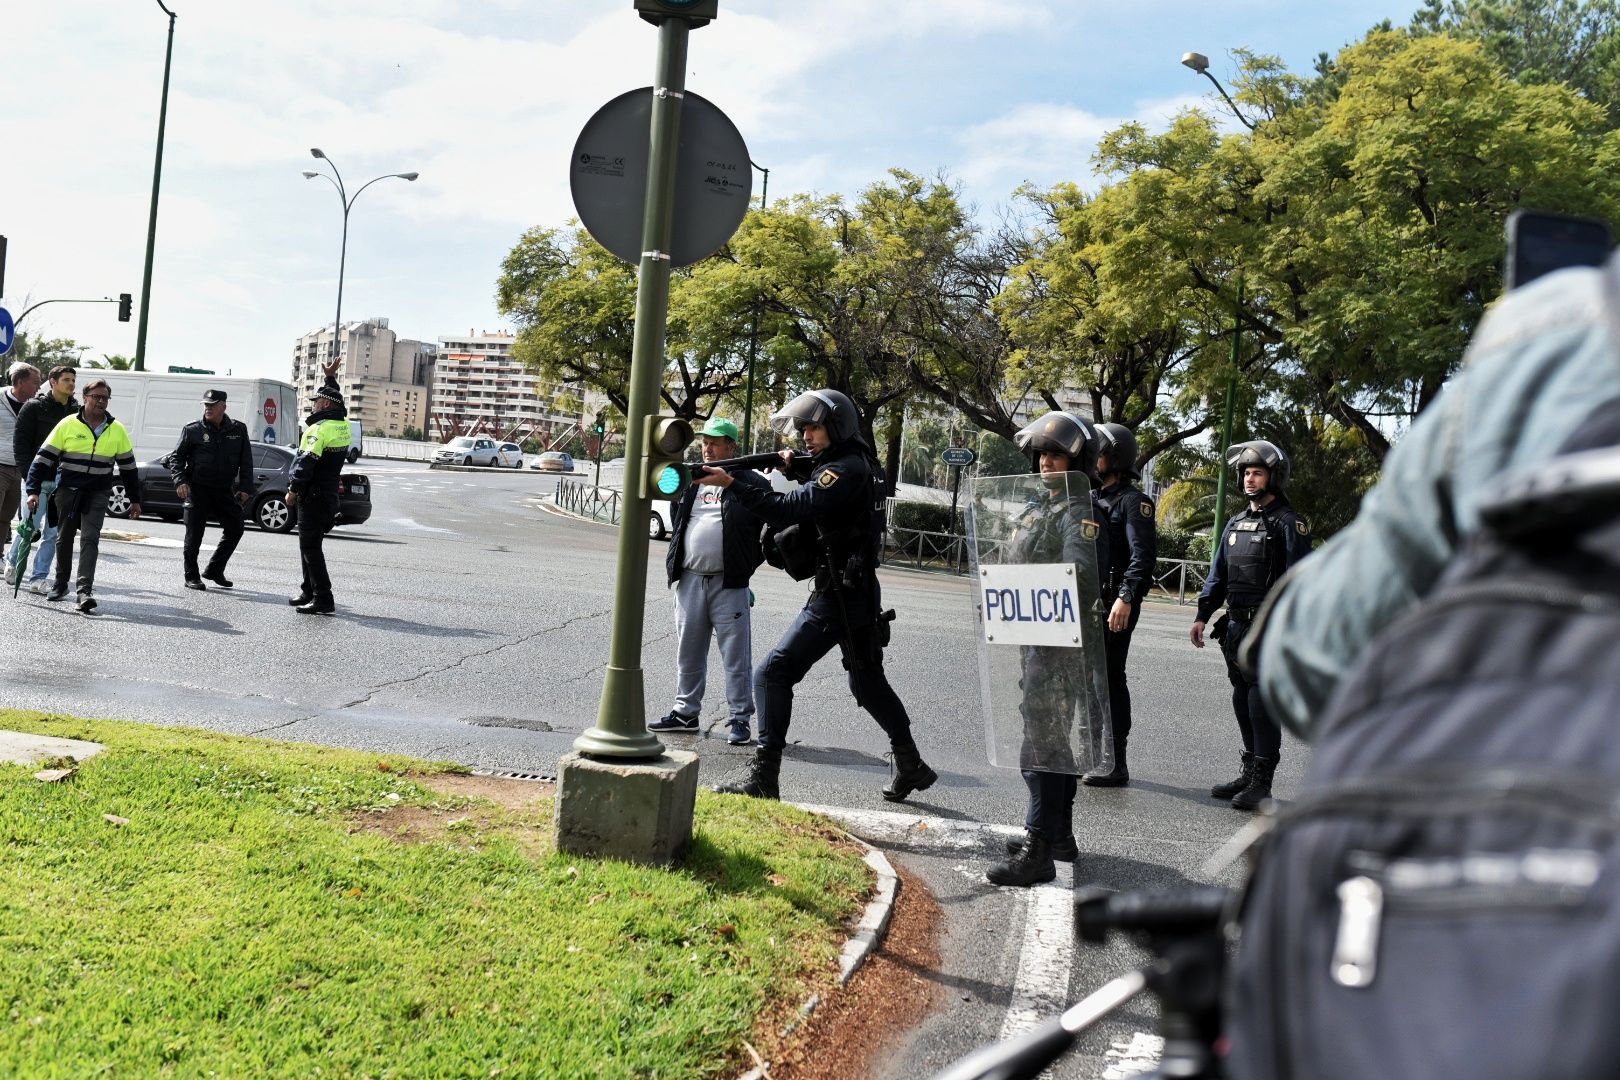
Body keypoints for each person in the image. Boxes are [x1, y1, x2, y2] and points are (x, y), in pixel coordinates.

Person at [1251, 257, 1620, 739]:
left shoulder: (1544, 347)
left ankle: (1259, 771)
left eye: (1257, 472)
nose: (1249, 481)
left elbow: (1306, 667)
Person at [693, 388, 936, 804]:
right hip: (855, 589)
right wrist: (799, 470)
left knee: (772, 673)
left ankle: (764, 775)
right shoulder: (859, 464)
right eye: (803, 428)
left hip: (837, 594)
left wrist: (733, 483)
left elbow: (790, 510)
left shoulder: (843, 470)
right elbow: (838, 507)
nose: (806, 435)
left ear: (837, 426)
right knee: (867, 684)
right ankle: (911, 764)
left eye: (815, 427)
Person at [985, 411, 1113, 887]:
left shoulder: (1079, 512)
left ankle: (1038, 847)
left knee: (1039, 744)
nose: (1044, 461)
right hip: (1035, 637)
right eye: (1041, 453)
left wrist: (1028, 592)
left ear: (1075, 459)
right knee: (1052, 740)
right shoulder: (1041, 507)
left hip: (1061, 644)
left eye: (1055, 453)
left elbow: (1078, 576)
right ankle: (1059, 836)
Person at [1189, 441, 1311, 810]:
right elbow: (1218, 574)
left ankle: (1263, 781)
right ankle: (1248, 770)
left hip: (1270, 627)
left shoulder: (1290, 524)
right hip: (1236, 626)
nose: (1249, 478)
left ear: (1275, 477)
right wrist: (1201, 615)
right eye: (1245, 472)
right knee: (1242, 696)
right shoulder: (1235, 523)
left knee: (1260, 700)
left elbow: (1301, 580)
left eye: (1257, 472)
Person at [649, 416, 768, 745]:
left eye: (715, 442)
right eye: (704, 441)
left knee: (735, 656)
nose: (708, 447)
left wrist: (744, 569)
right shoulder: (691, 480)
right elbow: (678, 521)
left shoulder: (750, 482)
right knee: (688, 652)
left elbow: (768, 528)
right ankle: (685, 713)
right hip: (690, 580)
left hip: (729, 584)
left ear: (731, 446)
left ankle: (740, 718)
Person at [24, 377, 142, 614]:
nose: (100, 401)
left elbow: (129, 469)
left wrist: (135, 499)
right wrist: (33, 490)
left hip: (98, 492)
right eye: (96, 396)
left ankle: (84, 591)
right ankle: (60, 585)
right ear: (85, 398)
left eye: (105, 398)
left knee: (90, 539)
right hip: (68, 490)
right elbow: (42, 459)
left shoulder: (116, 429)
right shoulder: (68, 424)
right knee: (64, 537)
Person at [1082, 422, 1156, 788]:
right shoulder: (1091, 498)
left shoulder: (1134, 502)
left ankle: (1115, 761)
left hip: (1115, 601)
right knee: (1088, 679)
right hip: (1090, 600)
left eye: (1100, 451)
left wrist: (1127, 597)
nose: (1095, 458)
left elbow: (1141, 557)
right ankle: (1094, 752)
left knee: (1109, 678)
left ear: (1117, 456)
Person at [171, 388, 253, 591]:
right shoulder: (193, 430)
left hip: (223, 490)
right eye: (205, 405)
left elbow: (246, 461)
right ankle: (191, 576)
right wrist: (180, 480)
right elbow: (176, 458)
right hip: (197, 489)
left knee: (236, 528)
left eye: (212, 405)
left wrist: (245, 487)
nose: (207, 408)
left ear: (223, 407)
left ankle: (215, 569)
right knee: (194, 534)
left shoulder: (238, 430)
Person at [286, 366, 350, 615]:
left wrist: (293, 489)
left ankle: (323, 597)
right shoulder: (341, 425)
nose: (313, 405)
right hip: (329, 496)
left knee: (310, 547)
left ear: (324, 405)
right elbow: (336, 396)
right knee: (309, 545)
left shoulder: (318, 429)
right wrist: (330, 378)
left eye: (316, 401)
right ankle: (308, 591)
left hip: (311, 497)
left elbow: (305, 464)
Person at [9, 366, 77, 593]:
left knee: (52, 534)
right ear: (53, 382)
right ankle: (12, 562)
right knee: (29, 529)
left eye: (73, 380)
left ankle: (38, 577)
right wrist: (31, 482)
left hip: (62, 483)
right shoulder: (33, 407)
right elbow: (21, 447)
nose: (71, 384)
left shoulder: (77, 412)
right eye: (66, 379)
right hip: (36, 480)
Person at [0, 362, 42, 567]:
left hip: (19, 469)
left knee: (6, 516)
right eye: (35, 383)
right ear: (20, 381)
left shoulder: (34, 406)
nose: (39, 387)